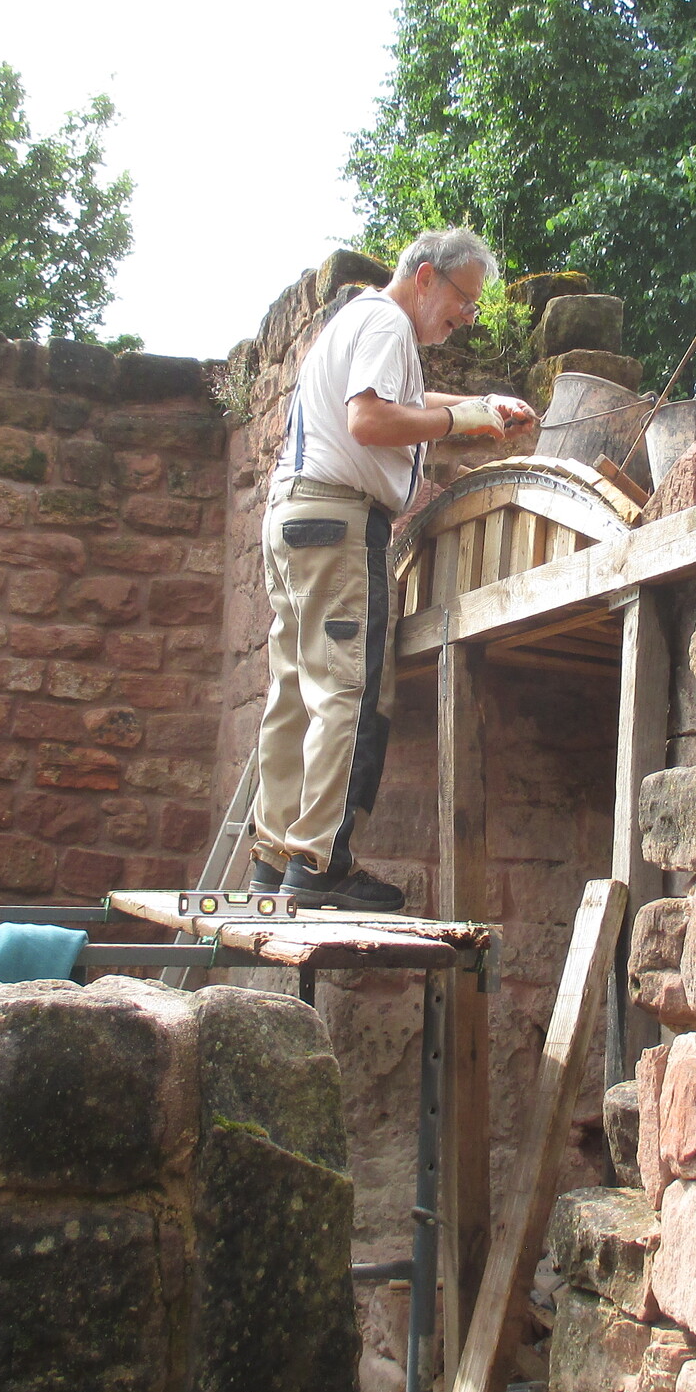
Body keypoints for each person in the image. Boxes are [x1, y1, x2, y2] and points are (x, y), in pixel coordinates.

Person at [252, 229, 536, 911]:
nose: (468, 316)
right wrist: (458, 422)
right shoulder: (387, 323)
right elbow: (371, 420)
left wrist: (478, 409)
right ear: (427, 276)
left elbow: (403, 400)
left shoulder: (359, 322)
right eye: (465, 299)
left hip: (293, 518)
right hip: (338, 524)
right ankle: (320, 863)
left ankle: (274, 858)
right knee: (345, 690)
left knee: (294, 690)